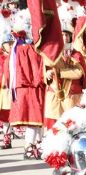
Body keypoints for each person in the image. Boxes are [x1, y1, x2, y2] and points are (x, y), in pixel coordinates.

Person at [8, 12, 45, 160]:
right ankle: (30, 146)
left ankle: (36, 145)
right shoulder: (25, 49)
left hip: (30, 86)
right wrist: (40, 79)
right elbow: (34, 69)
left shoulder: (20, 49)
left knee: (37, 119)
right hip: (30, 86)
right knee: (34, 118)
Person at [44, 25, 86, 130]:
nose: (64, 37)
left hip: (72, 95)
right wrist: (46, 74)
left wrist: (60, 72)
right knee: (54, 126)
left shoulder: (76, 54)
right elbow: (44, 71)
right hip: (54, 94)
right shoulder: (51, 55)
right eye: (62, 35)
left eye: (66, 35)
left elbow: (79, 73)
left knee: (71, 125)